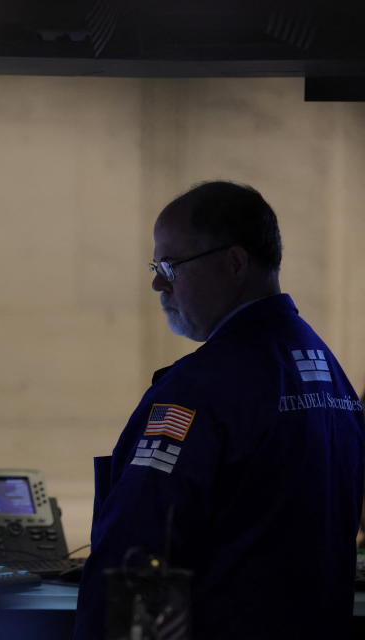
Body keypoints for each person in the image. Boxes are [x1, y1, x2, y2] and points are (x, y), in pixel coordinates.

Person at [73, 181, 365, 640]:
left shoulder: (203, 386)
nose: (157, 282)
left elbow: (142, 552)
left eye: (170, 265)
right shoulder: (330, 376)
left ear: (234, 263)